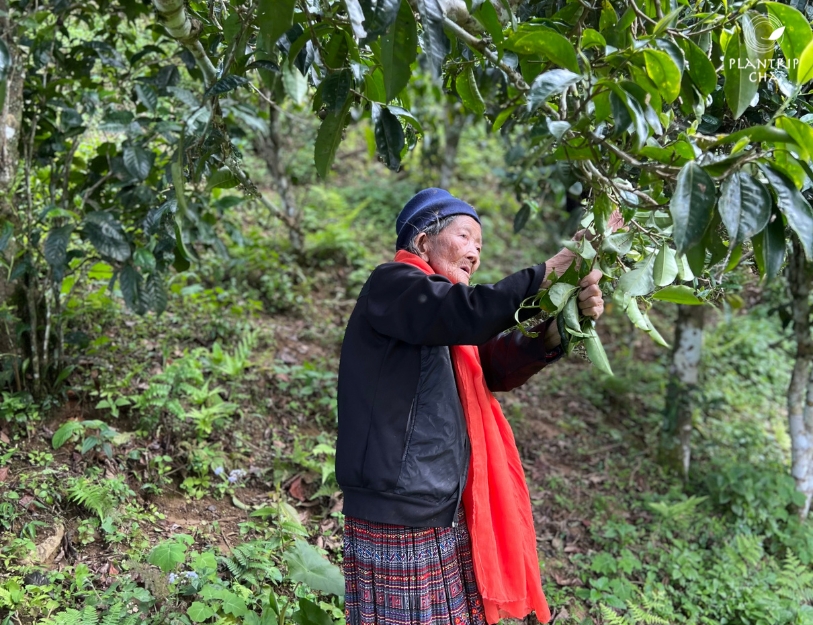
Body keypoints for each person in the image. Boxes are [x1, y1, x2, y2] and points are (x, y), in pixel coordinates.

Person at [336, 188, 608, 625]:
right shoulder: (394, 285)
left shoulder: (443, 319)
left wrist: (558, 328)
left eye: (480, 246)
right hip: (399, 505)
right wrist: (552, 271)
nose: (475, 253)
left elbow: (493, 367)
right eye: (465, 236)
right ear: (422, 242)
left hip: (440, 501)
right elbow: (471, 312)